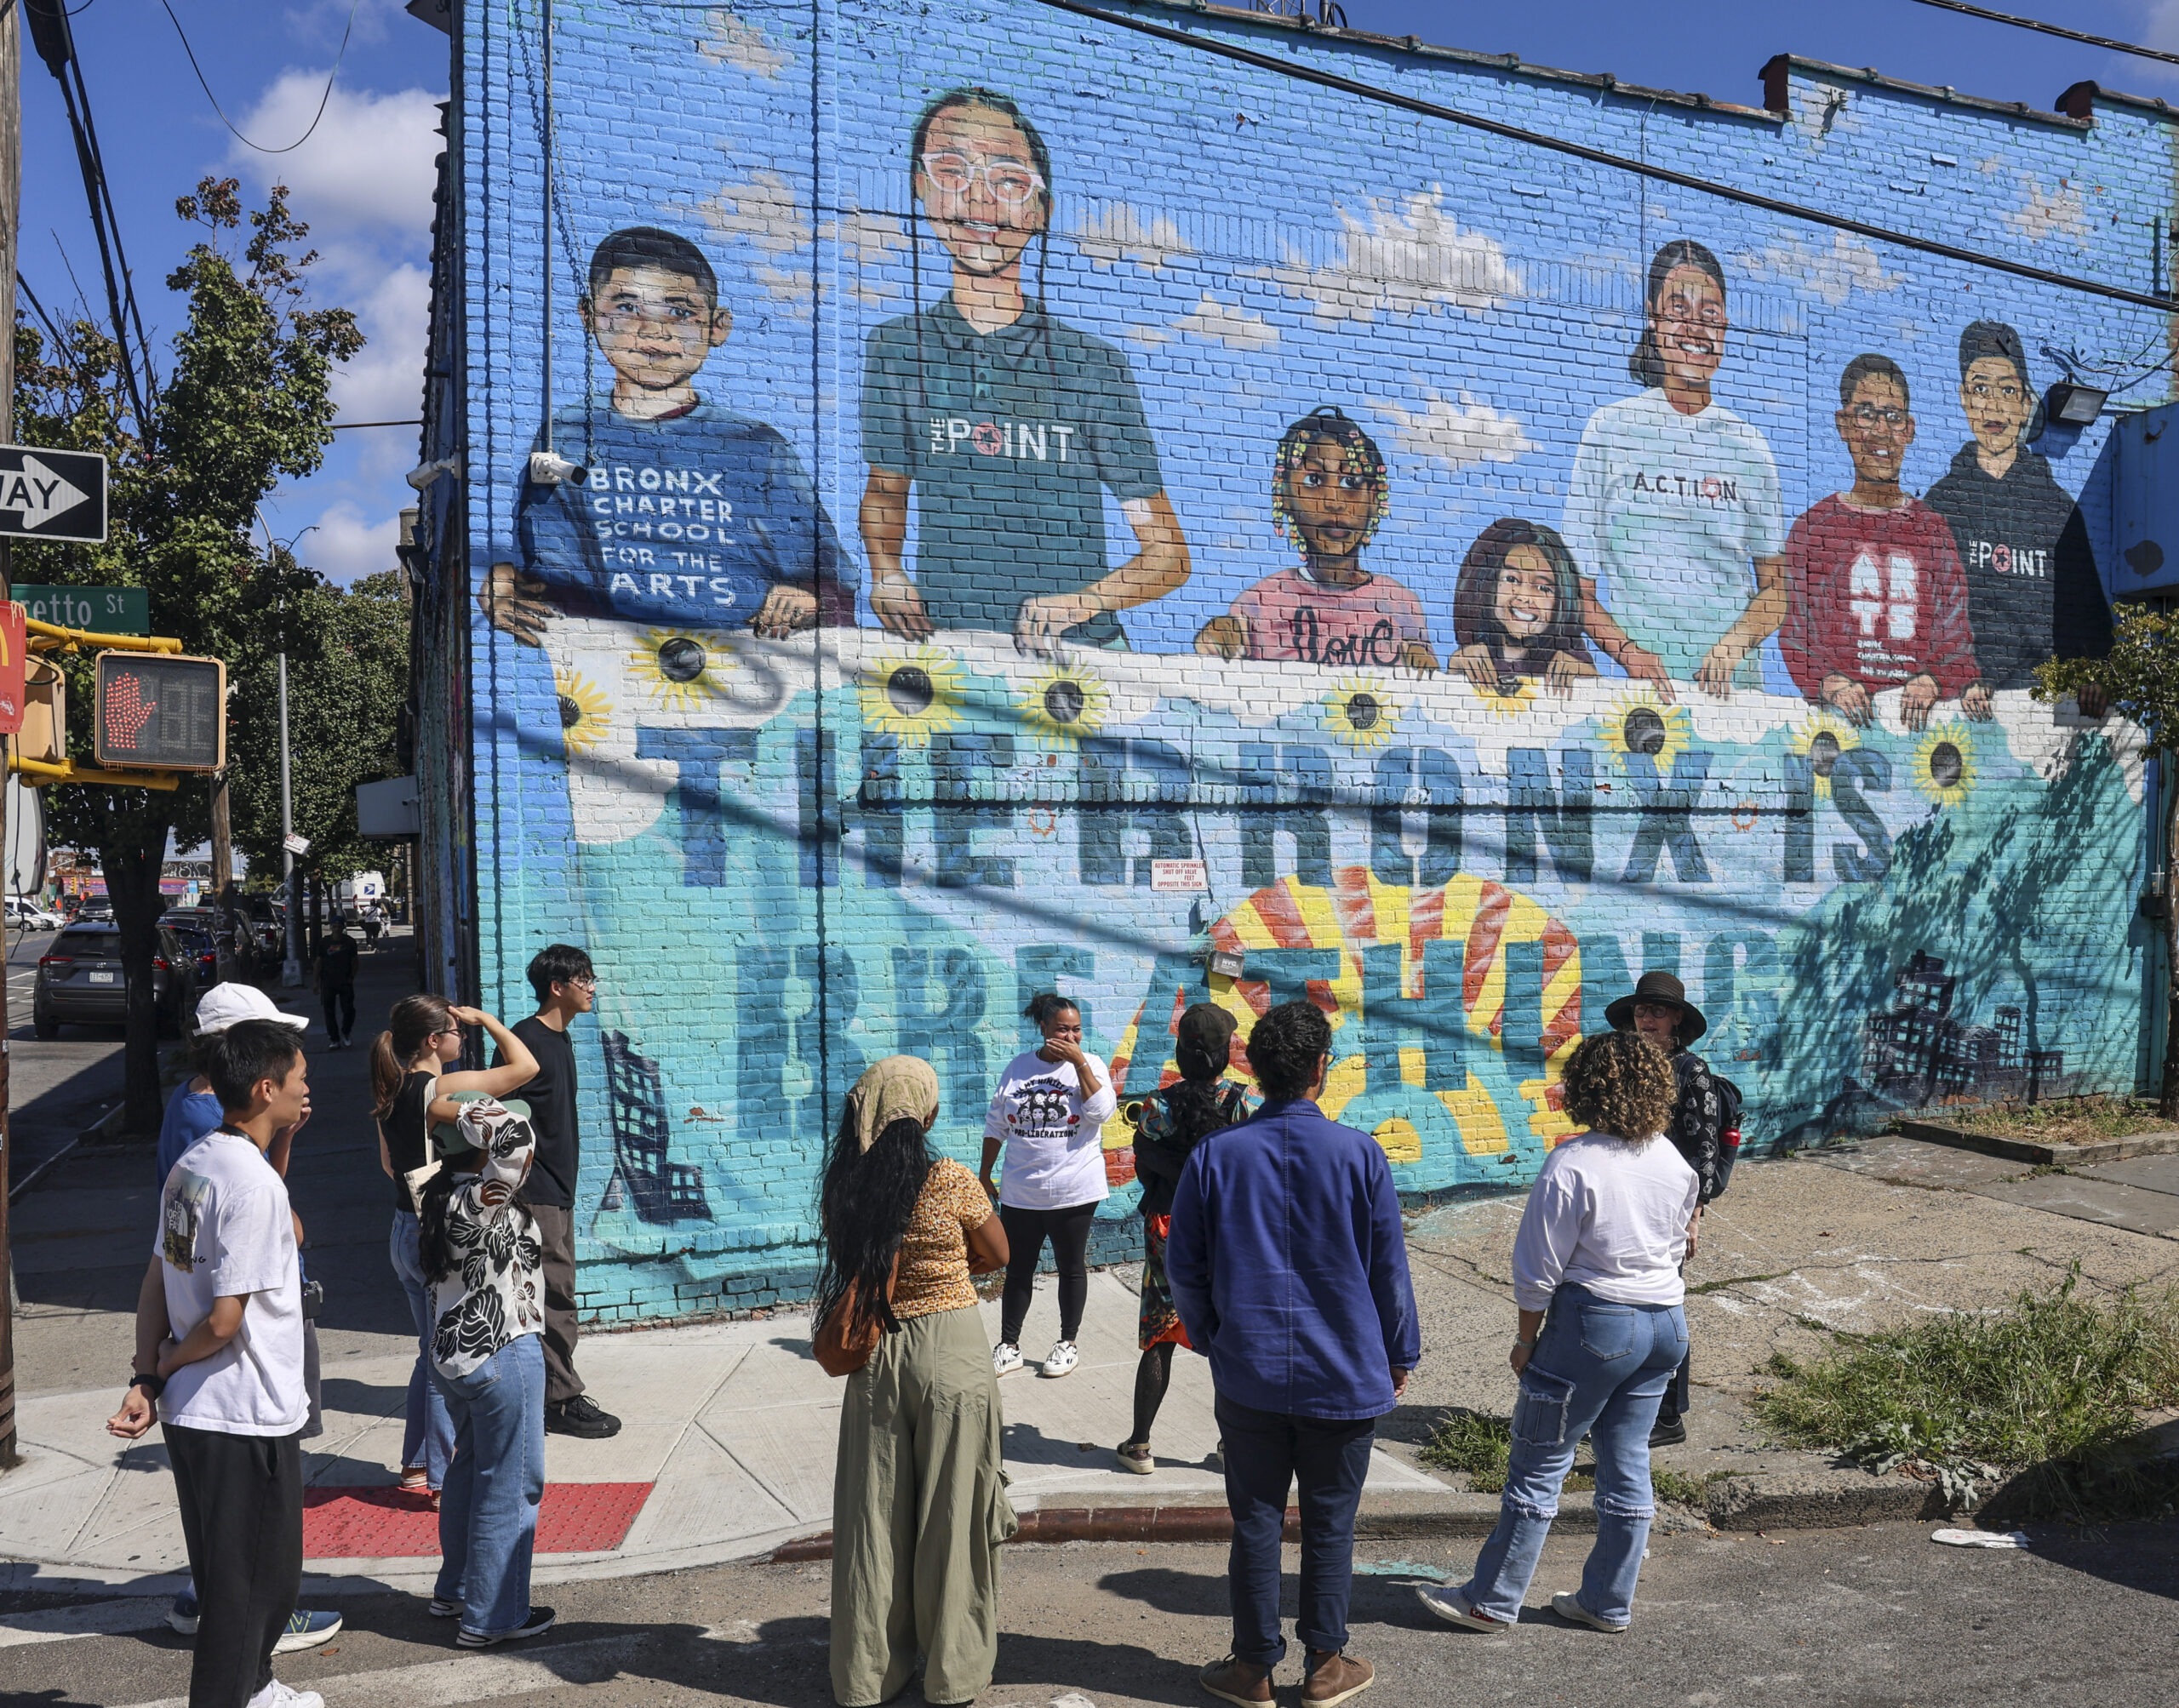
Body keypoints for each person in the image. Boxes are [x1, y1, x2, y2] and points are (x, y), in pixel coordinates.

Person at [861, 85, 1188, 650]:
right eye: (952, 171)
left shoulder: (1093, 368)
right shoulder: (897, 349)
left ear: (1041, 211)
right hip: (950, 660)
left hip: (1081, 664)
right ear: (920, 187)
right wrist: (886, 573)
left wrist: (1081, 603)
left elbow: (1167, 555)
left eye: (1010, 181)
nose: (981, 203)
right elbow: (887, 492)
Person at [1167, 1000, 1420, 1708]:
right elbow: (1387, 1271)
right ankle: (1325, 1664)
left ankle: (1252, 1669)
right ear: (1319, 1070)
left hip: (1248, 1373)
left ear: (1253, 1067)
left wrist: (1212, 1336)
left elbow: (1183, 1265)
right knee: (1330, 1522)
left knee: (1254, 1519)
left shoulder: (1216, 1156)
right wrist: (1399, 1352)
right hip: (1343, 1370)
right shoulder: (1360, 1154)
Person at [1415, 1030, 1696, 1638]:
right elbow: (1680, 1244)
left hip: (1595, 1323)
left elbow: (1538, 1267)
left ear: (1586, 1087)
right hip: (1666, 1325)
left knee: (1540, 1462)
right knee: (1628, 1460)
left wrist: (1525, 1339)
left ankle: (1492, 1598)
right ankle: (1606, 1600)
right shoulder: (1674, 1161)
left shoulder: (1573, 1162)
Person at [480, 225, 851, 644]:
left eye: (679, 312)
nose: (654, 332)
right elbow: (557, 578)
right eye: (626, 307)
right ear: (589, 316)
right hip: (620, 676)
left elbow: (832, 582)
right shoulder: (562, 440)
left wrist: (809, 598)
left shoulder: (759, 447)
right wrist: (508, 579)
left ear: (718, 326)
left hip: (752, 673)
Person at [107, 1020, 332, 1708]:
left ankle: (257, 1690)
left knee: (227, 1573)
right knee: (258, 1589)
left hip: (195, 1412)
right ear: (266, 1087)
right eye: (298, 1078)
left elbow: (156, 1279)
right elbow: (226, 1318)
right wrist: (169, 1361)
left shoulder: (195, 1164)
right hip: (244, 1412)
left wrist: (149, 1375)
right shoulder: (252, 1187)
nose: (306, 1088)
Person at [821, 1056, 1015, 1706]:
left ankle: (868, 1674)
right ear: (927, 1114)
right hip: (952, 1353)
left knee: (874, 1517)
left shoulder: (845, 1188)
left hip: (876, 1351)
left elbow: (849, 1266)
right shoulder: (953, 1178)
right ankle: (953, 1671)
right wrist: (957, 1266)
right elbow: (1001, 1252)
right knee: (953, 1511)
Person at [151, 985, 338, 1656]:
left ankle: (234, 1627)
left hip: (199, 1382)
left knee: (227, 1544)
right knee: (250, 1557)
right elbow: (275, 1232)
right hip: (234, 1384)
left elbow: (162, 1264)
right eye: (286, 1053)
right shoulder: (221, 1148)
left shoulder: (195, 1134)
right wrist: (164, 1362)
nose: (299, 1065)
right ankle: (248, 1634)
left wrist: (153, 1371)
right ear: (257, 1076)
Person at [1563, 238, 1787, 696]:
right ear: (1653, 316)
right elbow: (1578, 592)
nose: (1695, 327)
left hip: (1735, 701)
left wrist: (1735, 645)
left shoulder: (1749, 446)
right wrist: (1630, 655)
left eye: (1709, 313)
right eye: (1678, 309)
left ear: (1724, 325)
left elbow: (1775, 590)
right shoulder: (1609, 430)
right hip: (1639, 700)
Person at [372, 994, 538, 1500]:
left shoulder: (391, 1089)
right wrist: (488, 1018)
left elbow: (387, 1165)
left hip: (403, 1227)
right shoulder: (441, 1087)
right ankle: (443, 1479)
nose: (462, 1037)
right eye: (456, 1030)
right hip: (436, 1232)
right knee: (449, 1353)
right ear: (432, 1041)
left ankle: (418, 1463)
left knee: (429, 1352)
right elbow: (525, 1067)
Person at [1780, 353, 1985, 732]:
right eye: (1866, 413)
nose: (1881, 431)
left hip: (1924, 736)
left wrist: (1935, 679)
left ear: (1909, 429)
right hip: (1836, 733)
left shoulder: (1933, 531)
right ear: (1843, 424)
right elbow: (1796, 632)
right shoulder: (1813, 528)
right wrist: (1829, 681)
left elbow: (1956, 634)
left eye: (1893, 416)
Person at [420, 1094, 557, 1648]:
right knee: (512, 1481)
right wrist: (463, 1108)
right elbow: (518, 1138)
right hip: (504, 1349)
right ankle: (493, 1614)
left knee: (470, 1468)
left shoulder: (430, 1193)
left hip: (456, 1357)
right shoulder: (479, 1200)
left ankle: (456, 1589)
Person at [1924, 320, 2113, 707]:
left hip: (2046, 710)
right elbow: (1923, 616)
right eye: (1980, 389)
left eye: (2007, 390)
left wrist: (2092, 675)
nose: (1993, 406)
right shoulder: (1940, 506)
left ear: (2026, 402)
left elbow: (2089, 614)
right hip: (1957, 709)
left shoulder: (2060, 510)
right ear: (1963, 398)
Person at [493, 944, 622, 1437]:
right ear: (558, 987)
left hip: (558, 1190)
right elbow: (495, 1117)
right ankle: (560, 1401)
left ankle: (550, 1393)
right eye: (584, 979)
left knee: (556, 1293)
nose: (592, 988)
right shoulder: (524, 1041)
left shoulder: (561, 1040)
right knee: (555, 1296)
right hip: (537, 1191)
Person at [1196, 407, 1434, 670]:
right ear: (1284, 496)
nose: (1334, 502)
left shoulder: (1399, 605)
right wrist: (1220, 637)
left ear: (1375, 500)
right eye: (1314, 479)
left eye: (1351, 483)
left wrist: (1422, 664)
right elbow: (1222, 657)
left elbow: (1426, 696)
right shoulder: (1260, 603)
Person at [1116, 1002, 1248, 1474]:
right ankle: (1232, 1447)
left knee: (1160, 1334)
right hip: (1224, 1231)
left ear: (1181, 1053)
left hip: (1169, 1225)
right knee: (1225, 1336)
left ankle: (1139, 1446)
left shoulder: (1158, 1105)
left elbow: (1145, 1158)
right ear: (1225, 1055)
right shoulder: (1241, 1104)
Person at [1608, 971, 1722, 1448]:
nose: (1647, 1018)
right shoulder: (1631, 1063)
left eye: (1657, 1011)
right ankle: (1632, 1403)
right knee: (1628, 1301)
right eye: (1641, 1011)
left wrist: (1694, 1213)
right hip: (1628, 1200)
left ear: (1677, 1017)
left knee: (1662, 1306)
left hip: (1669, 1207)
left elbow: (1705, 1149)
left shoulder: (1690, 1070)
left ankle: (1669, 1415)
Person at [981, 991, 1118, 1380]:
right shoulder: (1018, 1067)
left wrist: (1079, 1067)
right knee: (1018, 1269)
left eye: (1076, 1030)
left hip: (1074, 1190)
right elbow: (997, 1124)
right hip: (1021, 1191)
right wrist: (984, 1173)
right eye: (1062, 1030)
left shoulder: (1090, 1065)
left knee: (1071, 1266)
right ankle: (1009, 1345)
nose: (1071, 1038)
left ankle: (1067, 1342)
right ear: (1043, 1029)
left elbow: (1101, 1112)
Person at [1448, 518, 1600, 697]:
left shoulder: (1570, 658)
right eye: (1511, 580)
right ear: (1488, 584)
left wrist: (1590, 680)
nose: (1525, 597)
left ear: (1560, 600)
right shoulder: (1474, 656)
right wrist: (1455, 671)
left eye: (1543, 588)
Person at [313, 924, 360, 1049]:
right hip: (328, 981)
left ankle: (346, 1032)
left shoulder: (349, 942)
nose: (337, 929)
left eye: (339, 926)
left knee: (349, 1009)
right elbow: (319, 962)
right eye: (334, 926)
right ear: (331, 927)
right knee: (329, 1011)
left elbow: (355, 961)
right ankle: (334, 1039)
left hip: (345, 981)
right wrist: (316, 982)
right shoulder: (324, 942)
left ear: (343, 927)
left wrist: (351, 977)